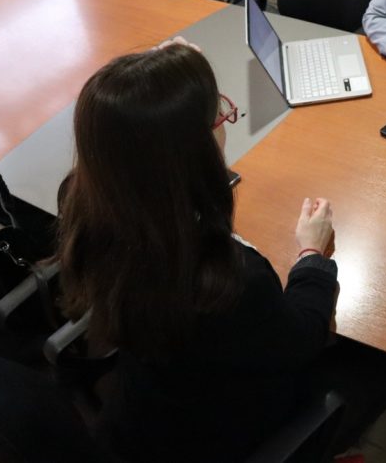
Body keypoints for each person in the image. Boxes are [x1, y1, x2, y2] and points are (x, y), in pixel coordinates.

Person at [56, 38, 341, 460]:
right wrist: (312, 257)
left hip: (145, 411)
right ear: (196, 149)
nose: (225, 121)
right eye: (219, 114)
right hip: (217, 431)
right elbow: (303, 338)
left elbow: (125, 128)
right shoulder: (228, 281)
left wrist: (159, 74)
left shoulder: (83, 205)